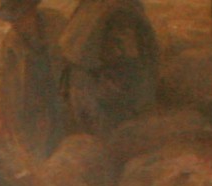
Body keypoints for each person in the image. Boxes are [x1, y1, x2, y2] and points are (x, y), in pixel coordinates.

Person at [56, 0, 159, 133]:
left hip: (110, 92)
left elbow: (133, 54)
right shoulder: (92, 8)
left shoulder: (122, 10)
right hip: (90, 85)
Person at [0, 0, 67, 160]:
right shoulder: (11, 42)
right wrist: (3, 115)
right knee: (37, 153)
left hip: (62, 96)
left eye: (18, 18)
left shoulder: (57, 24)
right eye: (11, 20)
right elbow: (4, 82)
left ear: (31, 12)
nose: (14, 25)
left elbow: (73, 59)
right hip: (32, 104)